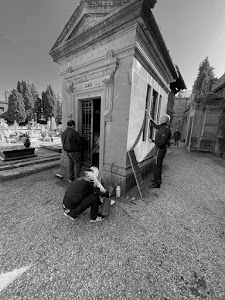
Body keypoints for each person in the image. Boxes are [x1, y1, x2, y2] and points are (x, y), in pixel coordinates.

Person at [146, 110, 172, 188]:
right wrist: (150, 119)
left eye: (161, 117)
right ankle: (156, 179)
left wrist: (153, 141)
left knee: (157, 166)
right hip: (159, 149)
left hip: (160, 150)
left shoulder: (166, 129)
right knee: (156, 165)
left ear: (164, 120)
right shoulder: (162, 127)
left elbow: (162, 143)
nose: (160, 118)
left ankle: (157, 183)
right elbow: (156, 126)